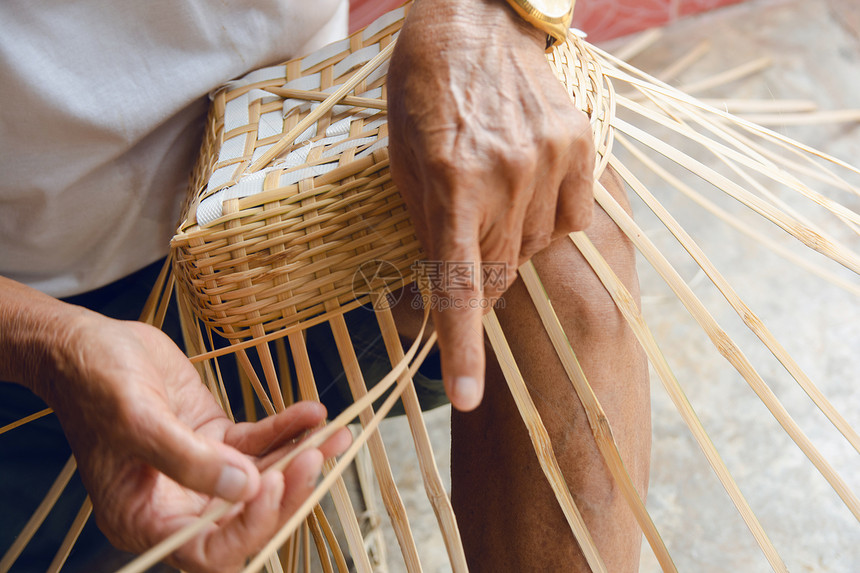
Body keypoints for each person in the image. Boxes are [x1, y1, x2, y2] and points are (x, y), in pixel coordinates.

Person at [0, 0, 650, 571]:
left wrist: (474, 13)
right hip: (37, 321)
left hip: (303, 196)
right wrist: (50, 345)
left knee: (554, 229)